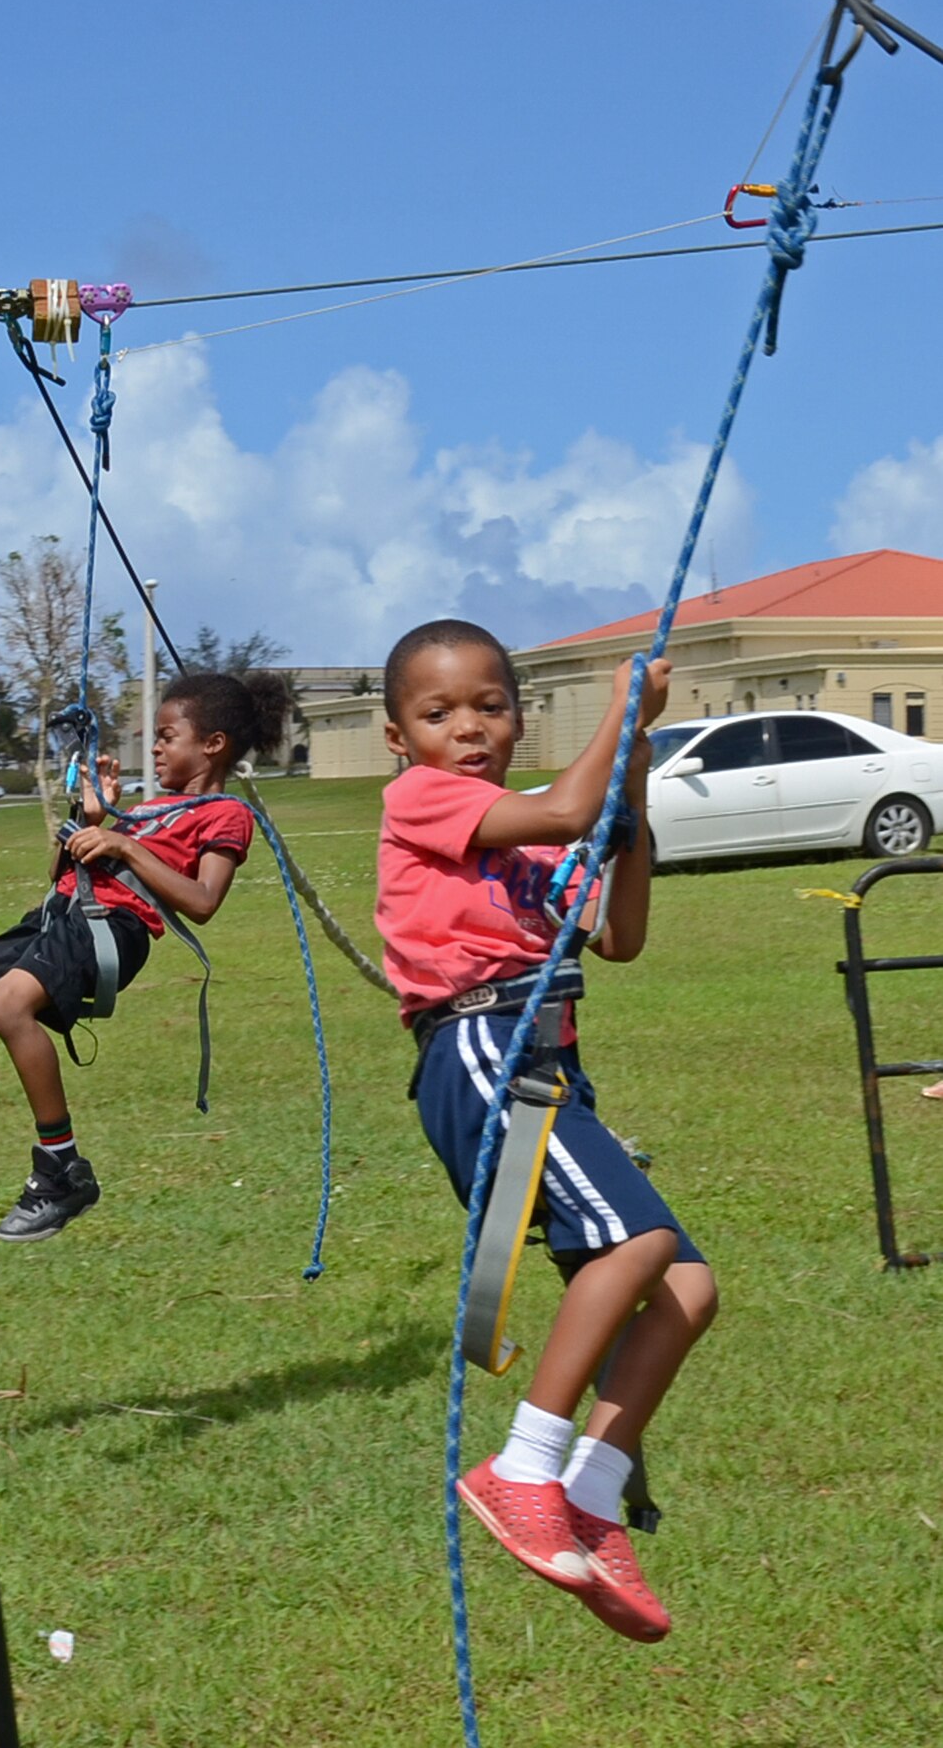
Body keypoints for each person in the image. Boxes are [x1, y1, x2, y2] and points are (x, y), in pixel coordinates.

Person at [375, 618, 717, 1644]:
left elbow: (617, 935)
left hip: (542, 1061)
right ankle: (521, 1464)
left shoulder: (528, 844)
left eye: (489, 706)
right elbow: (568, 802)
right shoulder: (423, 798)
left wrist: (635, 790)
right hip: (478, 1049)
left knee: (687, 1288)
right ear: (398, 739)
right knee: (637, 1240)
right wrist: (622, 711)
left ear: (517, 716)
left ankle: (590, 1494)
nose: (468, 729)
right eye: (438, 714)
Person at [0, 670, 289, 1261]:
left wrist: (126, 844)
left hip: (112, 930)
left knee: (8, 1005)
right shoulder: (148, 809)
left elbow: (203, 902)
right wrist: (94, 818)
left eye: (167, 736)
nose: (154, 747)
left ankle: (62, 1169)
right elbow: (59, 869)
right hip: (57, 915)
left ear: (213, 744)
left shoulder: (225, 814)